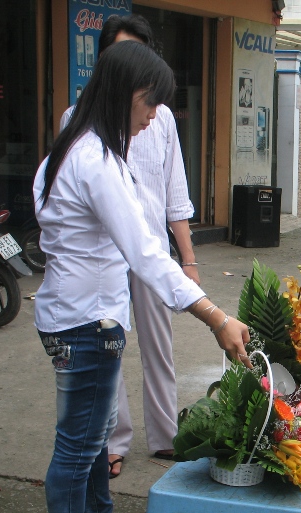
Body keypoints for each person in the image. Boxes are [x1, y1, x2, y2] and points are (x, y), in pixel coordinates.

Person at [33, 40, 251, 513]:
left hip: (83, 314)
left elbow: (65, 229)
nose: (154, 116)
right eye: (150, 103)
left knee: (98, 431)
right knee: (78, 448)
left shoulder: (79, 147)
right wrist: (215, 317)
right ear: (129, 94)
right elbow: (147, 256)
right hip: (83, 322)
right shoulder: (94, 161)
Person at [60, 15, 198, 478]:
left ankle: (164, 435)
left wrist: (189, 261)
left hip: (150, 253)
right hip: (103, 270)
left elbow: (174, 195)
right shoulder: (83, 135)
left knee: (156, 347)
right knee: (106, 352)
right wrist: (213, 314)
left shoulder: (154, 123)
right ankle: (111, 442)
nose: (151, 112)